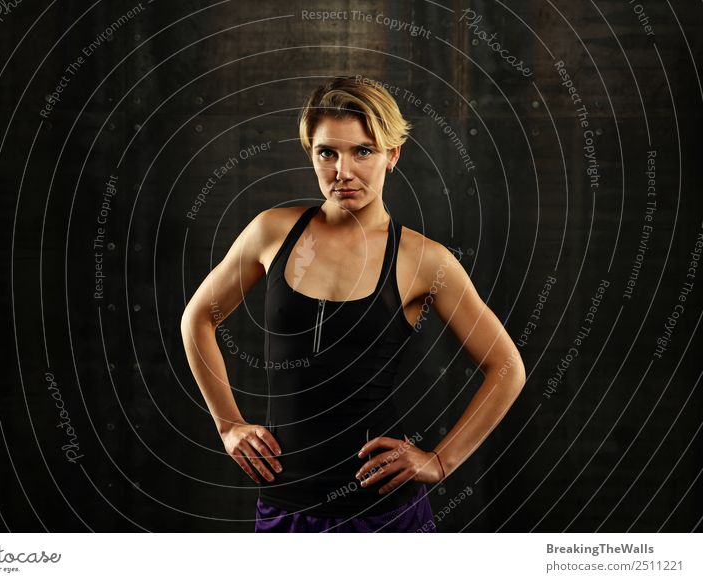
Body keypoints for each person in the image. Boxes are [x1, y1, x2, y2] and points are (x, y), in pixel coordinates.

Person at [180, 75, 526, 532]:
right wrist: (228, 424)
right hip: (286, 503)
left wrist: (440, 461)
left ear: (392, 156)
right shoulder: (272, 231)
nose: (343, 170)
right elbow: (198, 318)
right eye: (328, 152)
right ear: (312, 155)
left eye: (363, 151)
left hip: (383, 512)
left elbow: (506, 367)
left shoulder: (423, 259)